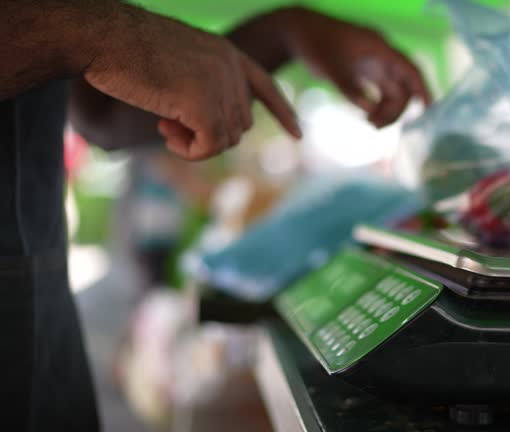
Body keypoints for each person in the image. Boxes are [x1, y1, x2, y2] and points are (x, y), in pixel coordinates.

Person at [0, 2, 430, 430]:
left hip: (41, 322)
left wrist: (285, 33)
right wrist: (94, 30)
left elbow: (101, 111)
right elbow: (89, 52)